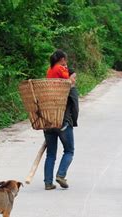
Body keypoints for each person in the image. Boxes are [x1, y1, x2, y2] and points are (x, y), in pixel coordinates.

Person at [43, 49, 79, 190]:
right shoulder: (67, 87)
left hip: (48, 120)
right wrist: (73, 120)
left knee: (50, 153)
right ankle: (61, 174)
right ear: (62, 59)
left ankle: (48, 182)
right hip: (63, 121)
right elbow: (74, 105)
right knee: (69, 150)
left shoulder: (50, 72)